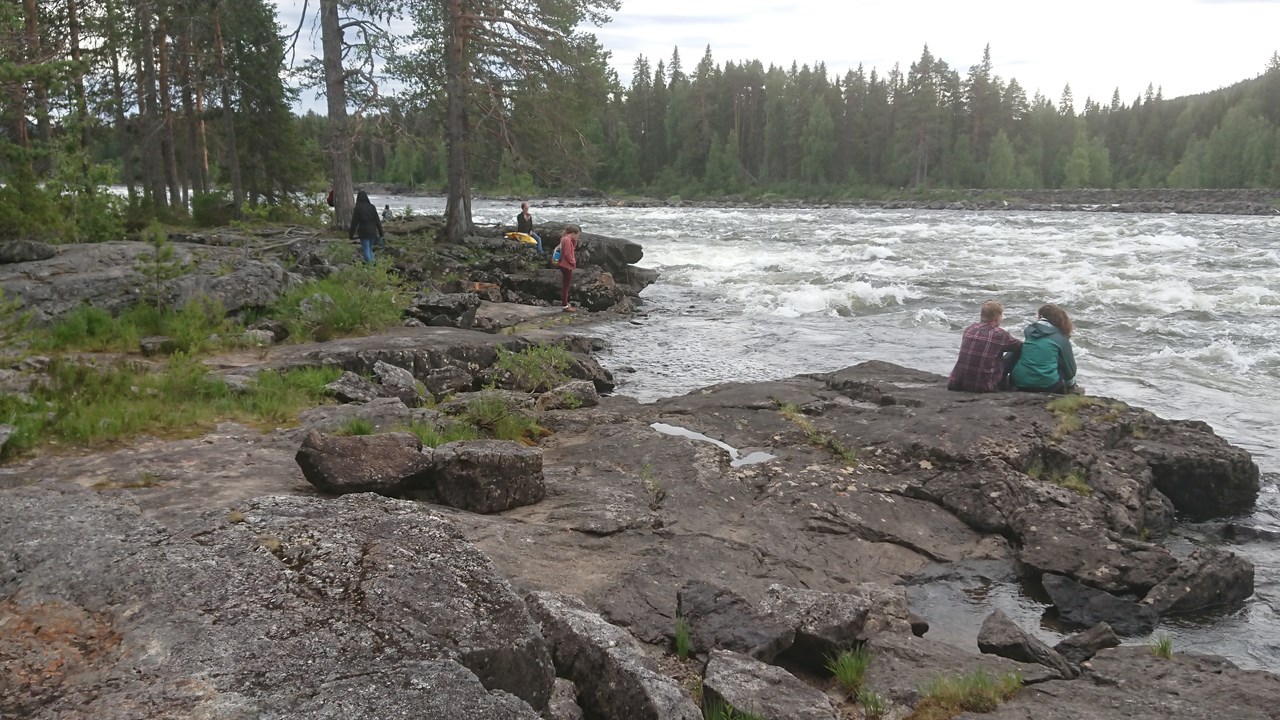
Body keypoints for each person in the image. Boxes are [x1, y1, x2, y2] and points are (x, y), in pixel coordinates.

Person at [947, 301, 1022, 392]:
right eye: (1001, 316)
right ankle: (1013, 380)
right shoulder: (1000, 334)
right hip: (984, 385)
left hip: (957, 382)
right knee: (1015, 351)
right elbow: (1020, 346)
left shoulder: (969, 329)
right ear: (996, 317)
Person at [1010, 303, 1081, 394]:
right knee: (1061, 360)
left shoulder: (1030, 332)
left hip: (1019, 382)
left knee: (1023, 349)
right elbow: (1070, 369)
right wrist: (1071, 384)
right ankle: (1070, 388)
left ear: (1041, 317)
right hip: (1047, 386)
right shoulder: (1061, 337)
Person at [348, 190, 383, 263]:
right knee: (369, 248)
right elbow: (377, 220)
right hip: (373, 231)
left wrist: (351, 234)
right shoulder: (372, 207)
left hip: (364, 232)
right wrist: (381, 233)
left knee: (366, 249)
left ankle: (370, 265)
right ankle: (373, 264)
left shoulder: (358, 208)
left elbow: (354, 222)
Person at [556, 224, 580, 313]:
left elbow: (572, 248)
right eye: (577, 235)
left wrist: (574, 241)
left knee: (565, 285)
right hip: (566, 265)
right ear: (573, 233)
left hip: (564, 264)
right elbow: (567, 254)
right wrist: (573, 262)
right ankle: (565, 306)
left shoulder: (566, 239)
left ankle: (565, 303)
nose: (578, 237)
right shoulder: (566, 240)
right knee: (566, 286)